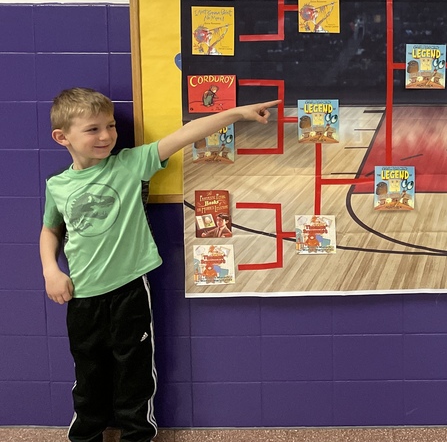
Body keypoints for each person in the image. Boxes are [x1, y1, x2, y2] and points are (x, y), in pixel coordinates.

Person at [40, 87, 276, 442]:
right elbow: (50, 229)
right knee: (89, 374)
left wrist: (237, 113)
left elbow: (185, 134)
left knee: (134, 372)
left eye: (110, 126)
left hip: (129, 291)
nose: (106, 136)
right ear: (63, 137)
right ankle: (86, 435)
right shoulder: (57, 185)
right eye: (93, 129)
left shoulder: (130, 163)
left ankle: (136, 435)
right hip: (82, 296)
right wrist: (50, 270)